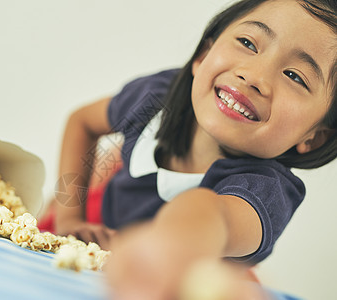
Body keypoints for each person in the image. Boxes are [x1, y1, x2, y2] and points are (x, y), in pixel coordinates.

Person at [53, 0, 336, 298]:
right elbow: (82, 123)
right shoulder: (154, 98)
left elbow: (212, 214)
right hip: (101, 227)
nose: (254, 77)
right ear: (204, 55)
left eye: (295, 76)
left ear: (314, 137)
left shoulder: (266, 192)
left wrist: (168, 251)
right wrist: (69, 217)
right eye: (248, 43)